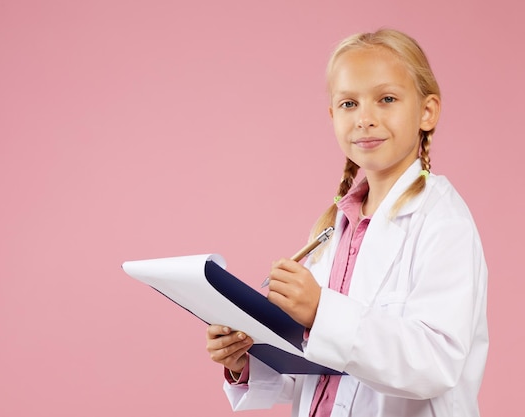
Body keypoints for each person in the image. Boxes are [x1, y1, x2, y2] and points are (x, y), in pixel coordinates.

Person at [205, 28, 488, 417]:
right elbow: (318, 370)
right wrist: (246, 359)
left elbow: (436, 363)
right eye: (349, 103)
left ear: (427, 111)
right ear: (332, 115)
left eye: (386, 99)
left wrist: (321, 309)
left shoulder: (443, 221)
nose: (365, 119)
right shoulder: (332, 228)